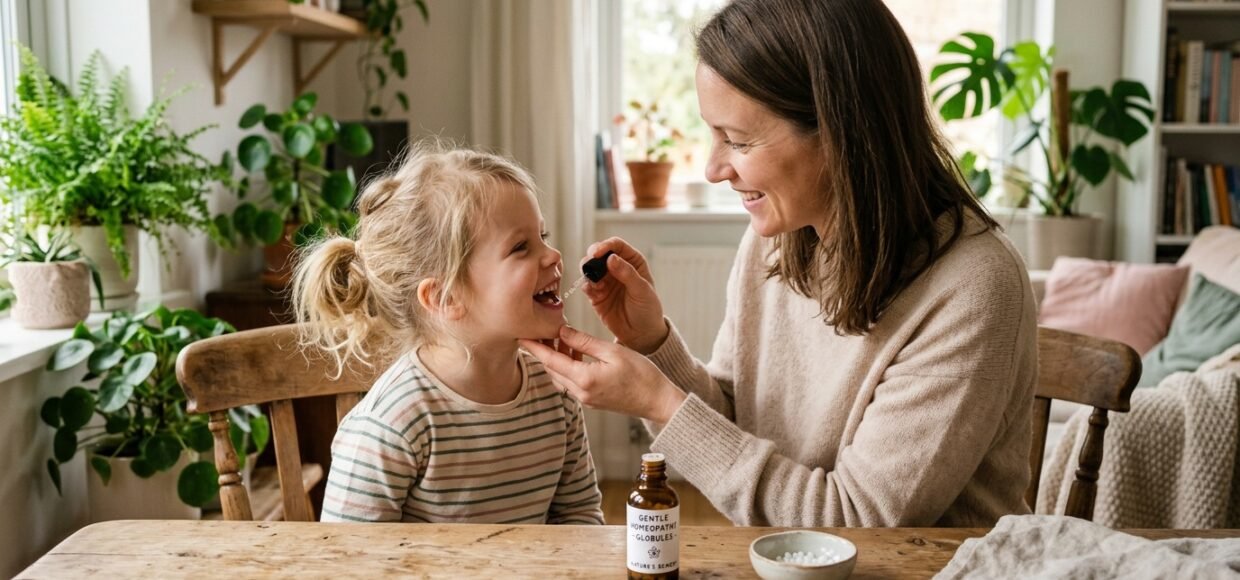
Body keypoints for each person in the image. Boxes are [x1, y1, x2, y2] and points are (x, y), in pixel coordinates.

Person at [521, 0, 1037, 528]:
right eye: (713, 134)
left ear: (841, 133)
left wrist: (658, 402)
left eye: (738, 141)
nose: (714, 167)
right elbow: (737, 423)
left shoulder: (974, 286)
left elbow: (859, 523)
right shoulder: (777, 239)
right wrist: (653, 343)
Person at [294, 144, 603, 525]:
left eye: (543, 235)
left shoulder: (556, 394)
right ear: (446, 297)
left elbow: (579, 515)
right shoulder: (391, 426)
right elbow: (350, 564)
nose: (553, 255)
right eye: (521, 247)